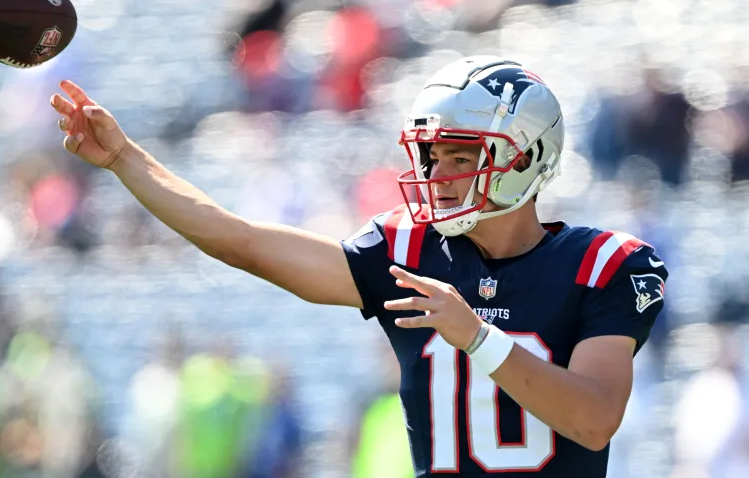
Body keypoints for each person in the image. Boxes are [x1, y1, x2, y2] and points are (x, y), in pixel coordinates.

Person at [49, 55, 668, 477]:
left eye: (461, 156)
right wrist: (127, 160)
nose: (438, 176)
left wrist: (476, 336)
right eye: (432, 157)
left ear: (528, 157)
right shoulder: (409, 252)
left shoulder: (604, 264)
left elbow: (593, 421)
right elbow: (240, 240)